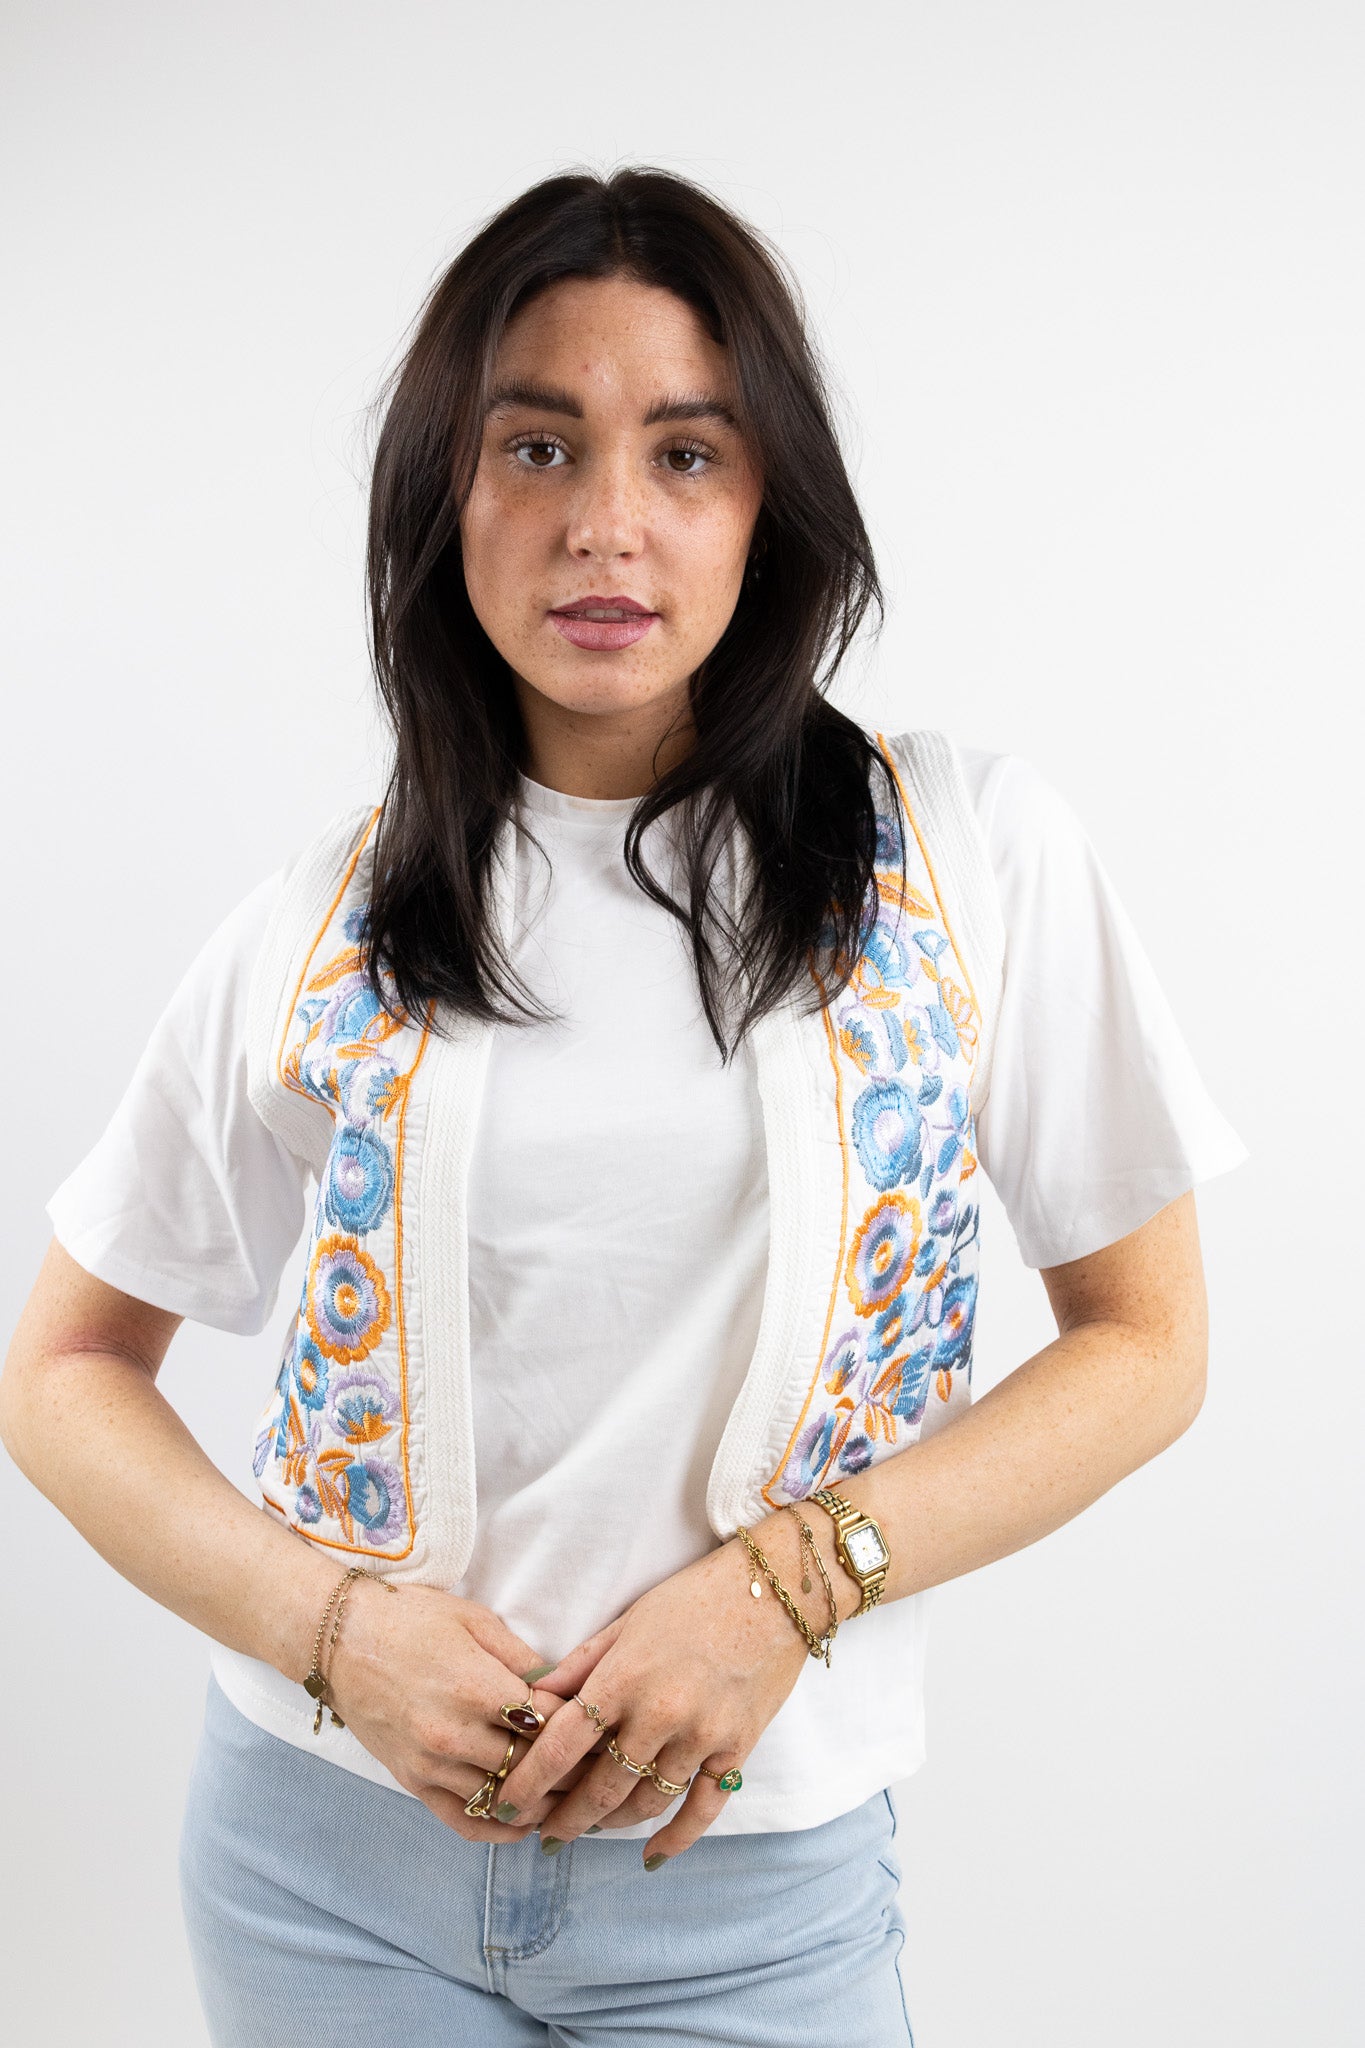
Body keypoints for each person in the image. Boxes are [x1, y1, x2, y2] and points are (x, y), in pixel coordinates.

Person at [0, 166, 1246, 2046]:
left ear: (769, 503)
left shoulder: (964, 855)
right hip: (321, 1868)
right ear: (445, 495)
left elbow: (1146, 1344)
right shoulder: (327, 917)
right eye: (535, 447)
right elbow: (65, 1368)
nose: (605, 524)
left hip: (747, 1892)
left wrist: (786, 1592)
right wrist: (334, 1634)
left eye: (683, 453)